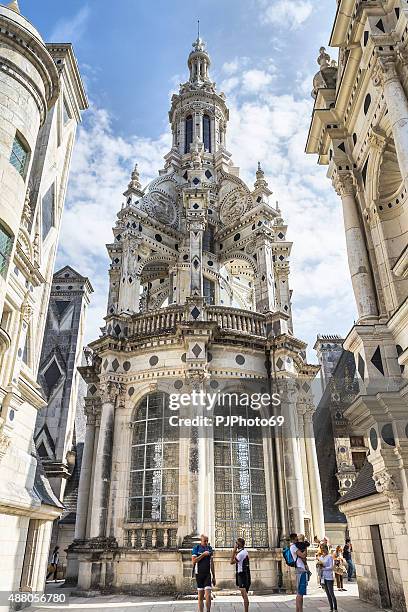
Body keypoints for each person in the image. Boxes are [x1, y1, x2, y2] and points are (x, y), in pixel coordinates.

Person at [192, 534, 216, 612]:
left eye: (207, 541)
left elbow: (212, 563)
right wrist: (203, 555)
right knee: (200, 596)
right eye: (204, 541)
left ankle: (208, 611)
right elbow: (194, 561)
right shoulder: (196, 548)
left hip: (207, 575)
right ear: (201, 541)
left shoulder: (209, 548)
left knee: (208, 595)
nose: (206, 542)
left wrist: (214, 576)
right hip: (199, 574)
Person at [230, 537, 251, 612]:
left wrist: (233, 550)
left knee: (244, 593)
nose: (235, 544)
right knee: (243, 593)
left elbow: (231, 562)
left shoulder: (241, 553)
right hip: (243, 573)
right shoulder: (244, 551)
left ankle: (246, 610)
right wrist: (236, 551)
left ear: (238, 544)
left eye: (236, 543)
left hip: (242, 574)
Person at [289, 533, 307, 612]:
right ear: (294, 538)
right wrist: (305, 547)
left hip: (300, 569)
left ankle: (298, 610)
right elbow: (303, 556)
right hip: (300, 569)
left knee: (300, 593)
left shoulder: (294, 546)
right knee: (300, 592)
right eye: (296, 538)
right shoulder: (293, 547)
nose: (297, 539)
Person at [318, 543, 338, 612]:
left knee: (331, 593)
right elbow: (320, 567)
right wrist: (319, 566)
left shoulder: (330, 557)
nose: (323, 549)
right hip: (323, 577)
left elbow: (331, 567)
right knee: (327, 593)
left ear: (326, 548)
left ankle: (335, 608)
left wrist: (323, 568)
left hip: (329, 577)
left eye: (323, 548)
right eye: (321, 548)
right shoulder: (320, 557)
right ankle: (331, 608)